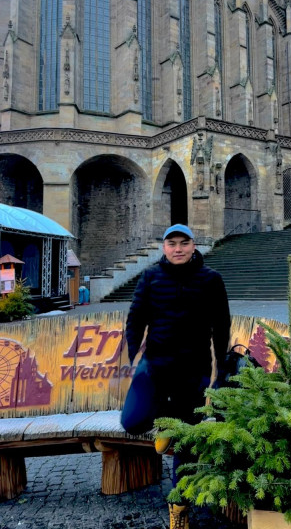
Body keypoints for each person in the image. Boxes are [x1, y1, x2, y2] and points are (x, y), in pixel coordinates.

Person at [121, 223, 231, 529]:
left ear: (193, 246)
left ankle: (179, 506)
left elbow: (222, 327)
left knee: (185, 443)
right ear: (164, 247)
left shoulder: (211, 280)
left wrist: (219, 372)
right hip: (154, 367)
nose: (178, 249)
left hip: (192, 372)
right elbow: (136, 318)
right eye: (172, 243)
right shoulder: (150, 277)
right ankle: (164, 422)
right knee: (132, 421)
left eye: (184, 243)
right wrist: (134, 357)